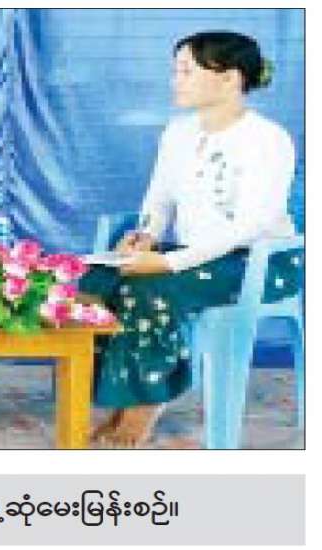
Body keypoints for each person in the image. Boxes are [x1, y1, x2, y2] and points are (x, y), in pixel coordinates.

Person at [79, 31, 303, 447]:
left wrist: (167, 262)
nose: (175, 81)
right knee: (95, 279)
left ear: (229, 78)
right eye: (175, 71)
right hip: (195, 255)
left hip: (259, 261)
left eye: (186, 71)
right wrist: (146, 235)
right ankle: (119, 397)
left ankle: (145, 404)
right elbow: (159, 199)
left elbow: (249, 225)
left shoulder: (267, 139)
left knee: (150, 287)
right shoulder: (177, 132)